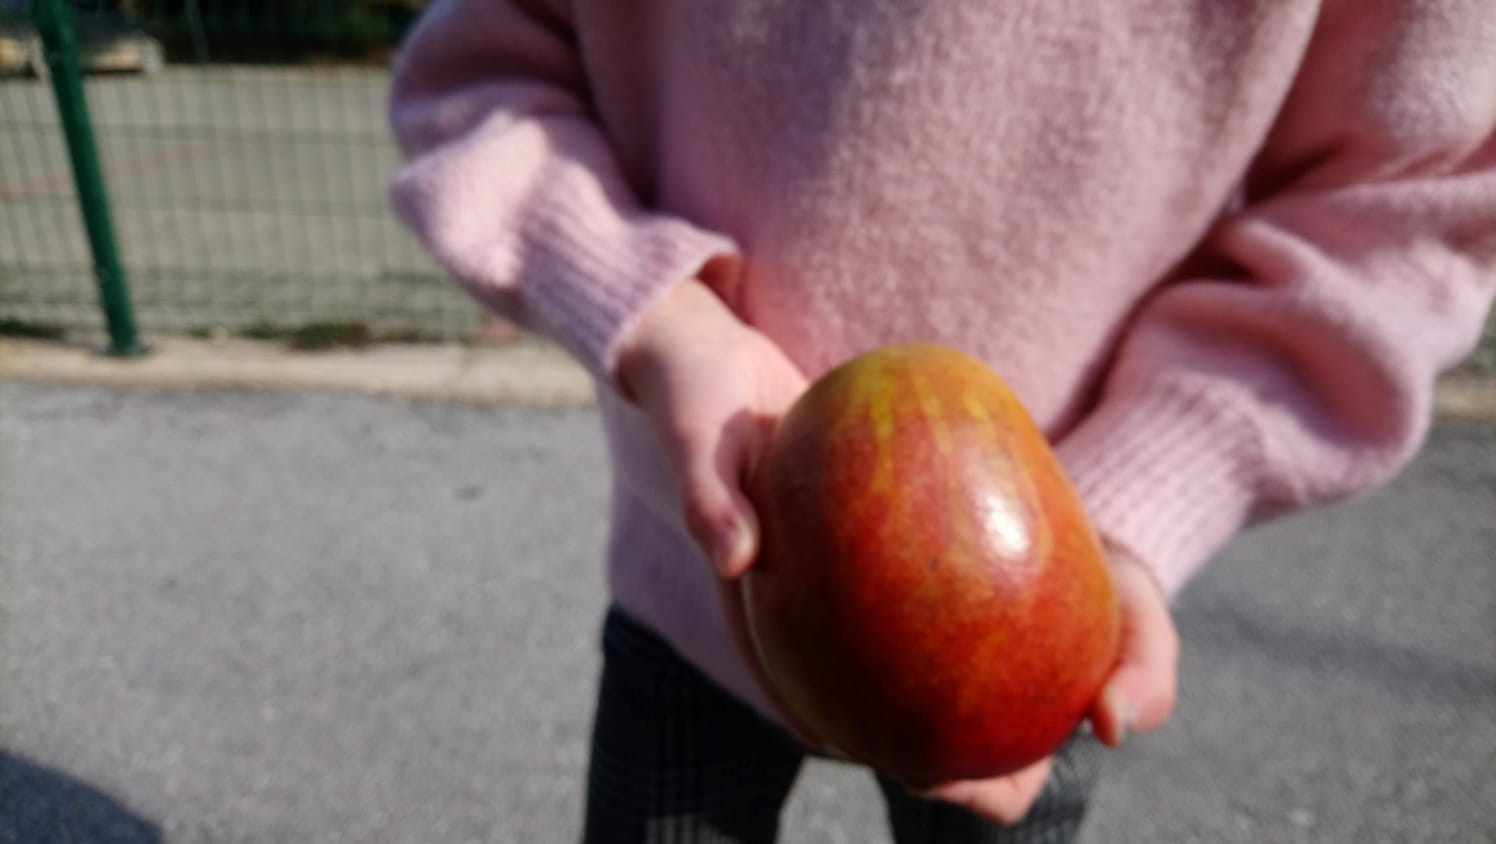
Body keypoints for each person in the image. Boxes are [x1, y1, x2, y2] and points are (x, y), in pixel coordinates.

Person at [387, 1, 1496, 840]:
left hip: (1049, 625)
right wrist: (654, 312)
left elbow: (1407, 204)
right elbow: (481, 78)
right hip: (689, 580)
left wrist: (1145, 488)